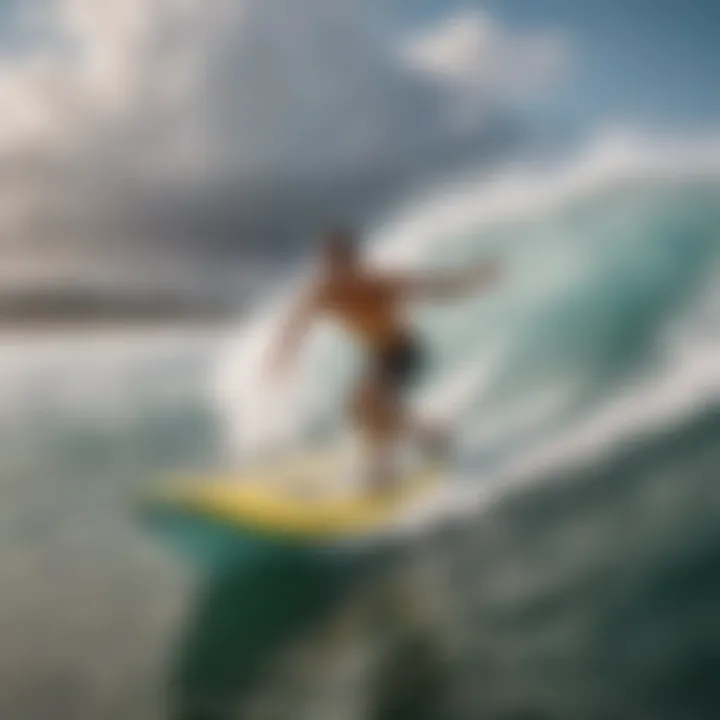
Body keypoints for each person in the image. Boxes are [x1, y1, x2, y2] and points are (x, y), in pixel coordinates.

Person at [268, 228, 502, 494]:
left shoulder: (380, 282)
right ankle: (430, 435)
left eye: (343, 265)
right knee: (363, 410)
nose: (337, 273)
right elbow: (296, 322)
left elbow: (438, 288)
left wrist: (476, 279)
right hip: (378, 355)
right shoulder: (322, 292)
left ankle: (385, 469)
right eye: (330, 265)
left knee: (368, 402)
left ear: (356, 262)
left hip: (404, 351)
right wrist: (282, 355)